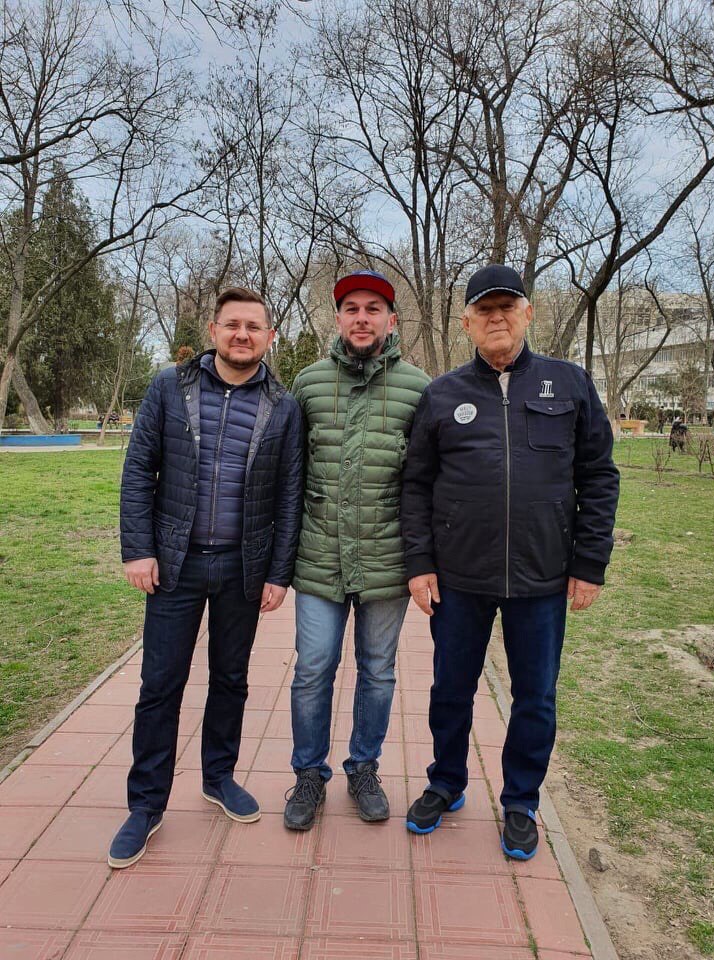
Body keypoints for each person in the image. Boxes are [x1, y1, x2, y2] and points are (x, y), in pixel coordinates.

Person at [401, 264, 619, 860]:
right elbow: (415, 485)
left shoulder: (569, 384)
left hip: (542, 578)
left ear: (527, 314)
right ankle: (446, 783)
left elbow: (599, 476)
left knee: (535, 697)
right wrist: (419, 563)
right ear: (466, 322)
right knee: (450, 690)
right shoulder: (442, 394)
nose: (496, 318)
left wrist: (589, 563)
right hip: (459, 579)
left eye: (507, 307)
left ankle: (521, 801)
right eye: (484, 309)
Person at [108, 286, 303, 868]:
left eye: (254, 326)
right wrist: (138, 550)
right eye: (232, 324)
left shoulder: (284, 405)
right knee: (160, 684)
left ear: (269, 337)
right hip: (176, 564)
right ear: (214, 330)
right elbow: (138, 470)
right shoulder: (171, 387)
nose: (242, 334)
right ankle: (146, 805)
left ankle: (219, 777)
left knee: (231, 679)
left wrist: (279, 573)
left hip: (244, 566)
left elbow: (289, 495)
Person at [283, 270, 430, 830]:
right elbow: (289, 473)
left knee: (377, 671)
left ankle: (364, 767)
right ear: (338, 317)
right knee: (313, 669)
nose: (362, 318)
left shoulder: (419, 388)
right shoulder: (309, 383)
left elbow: (426, 481)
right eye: (351, 308)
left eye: (373, 309)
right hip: (319, 560)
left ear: (392, 320)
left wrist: (425, 561)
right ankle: (308, 773)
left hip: (387, 562)